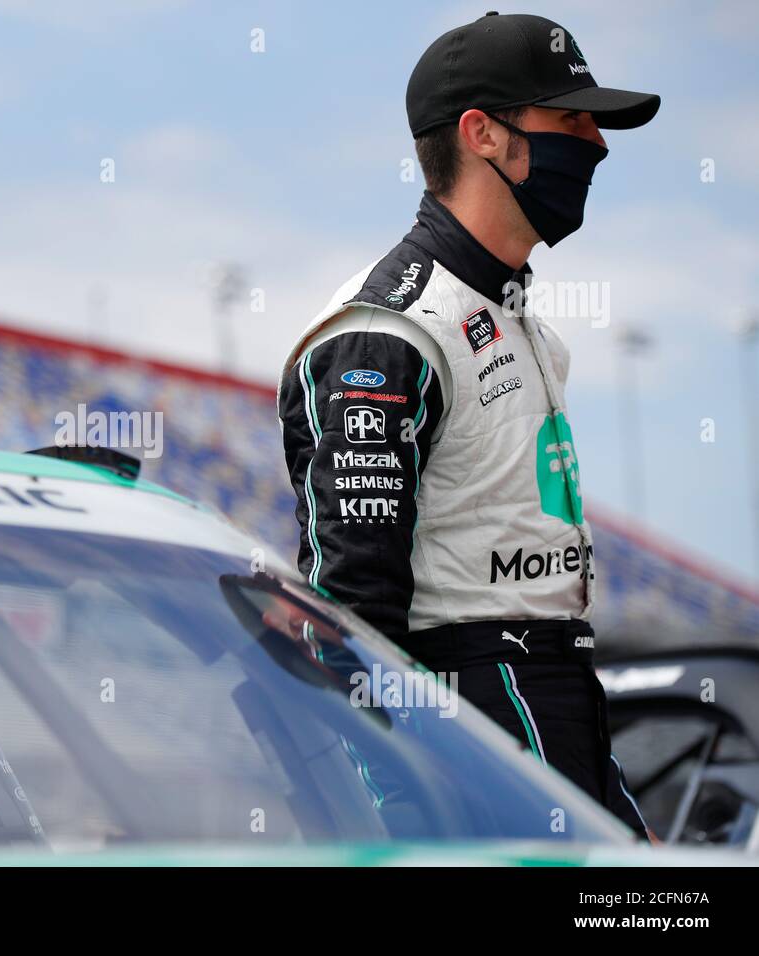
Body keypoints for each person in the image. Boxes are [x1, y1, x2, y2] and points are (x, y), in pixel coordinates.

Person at [277, 12, 659, 837]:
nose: (596, 142)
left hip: (558, 691)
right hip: (472, 710)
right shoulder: (389, 331)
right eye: (571, 118)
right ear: (483, 134)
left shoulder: (519, 320)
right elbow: (353, 615)